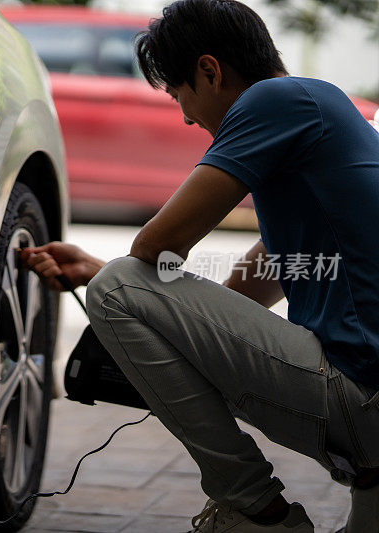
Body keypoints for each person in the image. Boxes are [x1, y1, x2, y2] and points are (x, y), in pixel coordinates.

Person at [21, 1, 379, 532]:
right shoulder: (318, 113)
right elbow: (232, 306)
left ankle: (255, 508)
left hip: (359, 396)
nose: (187, 117)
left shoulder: (274, 100)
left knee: (118, 288)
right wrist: (99, 269)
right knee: (117, 282)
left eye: (180, 95)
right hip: (369, 411)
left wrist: (110, 281)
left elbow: (157, 245)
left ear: (210, 71)